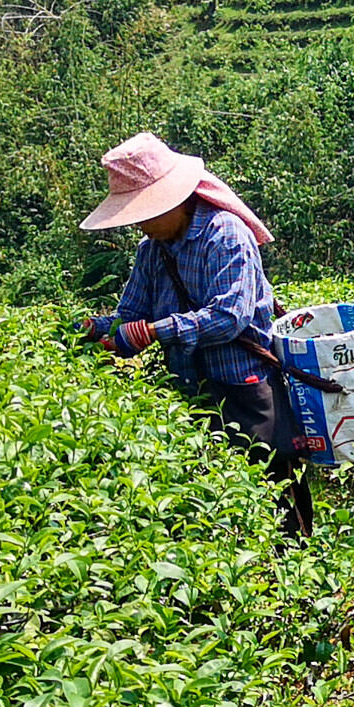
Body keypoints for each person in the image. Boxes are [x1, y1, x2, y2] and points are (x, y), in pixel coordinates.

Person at [78, 132, 312, 539]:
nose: (142, 225)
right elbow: (131, 313)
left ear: (172, 200)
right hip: (192, 392)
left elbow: (229, 317)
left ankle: (302, 586)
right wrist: (96, 329)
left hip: (246, 389)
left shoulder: (226, 235)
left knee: (276, 497)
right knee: (219, 506)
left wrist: (154, 332)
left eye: (145, 213)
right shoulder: (152, 251)